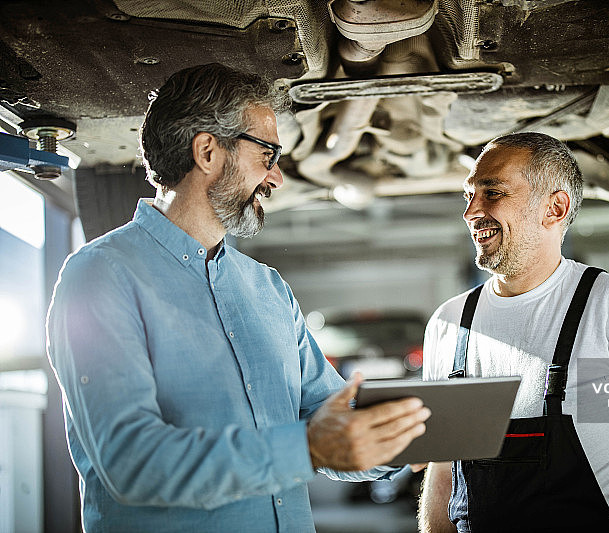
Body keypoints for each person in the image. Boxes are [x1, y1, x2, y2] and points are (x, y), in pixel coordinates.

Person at [46, 63, 430, 533]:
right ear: (208, 151)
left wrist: (400, 444)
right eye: (267, 154)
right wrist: (305, 448)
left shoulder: (267, 289)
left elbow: (327, 422)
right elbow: (133, 464)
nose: (276, 179)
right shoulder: (100, 276)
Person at [417, 132, 609, 533]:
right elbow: (443, 471)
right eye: (469, 195)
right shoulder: (448, 324)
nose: (471, 212)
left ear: (555, 207)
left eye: (493, 193)